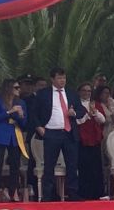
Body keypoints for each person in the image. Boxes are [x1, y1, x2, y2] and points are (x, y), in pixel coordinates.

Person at [32, 67, 84, 202]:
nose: (62, 81)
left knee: (72, 165)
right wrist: (39, 127)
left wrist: (75, 113)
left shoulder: (71, 93)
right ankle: (47, 195)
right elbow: (34, 113)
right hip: (51, 133)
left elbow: (81, 109)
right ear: (52, 79)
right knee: (49, 165)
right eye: (59, 78)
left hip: (68, 133)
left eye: (64, 78)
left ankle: (72, 193)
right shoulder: (43, 94)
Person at [0, 78, 25, 202]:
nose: (19, 90)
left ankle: (13, 191)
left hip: (14, 136)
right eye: (16, 87)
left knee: (15, 164)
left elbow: (25, 122)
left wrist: (20, 116)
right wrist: (10, 112)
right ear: (8, 88)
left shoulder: (20, 102)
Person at [75, 83, 107, 199]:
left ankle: (97, 193)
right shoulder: (76, 104)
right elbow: (76, 121)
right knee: (84, 167)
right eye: (84, 90)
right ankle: (84, 193)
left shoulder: (95, 104)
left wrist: (95, 112)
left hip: (95, 139)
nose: (87, 93)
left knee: (96, 167)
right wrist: (87, 116)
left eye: (89, 91)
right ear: (79, 92)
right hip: (82, 139)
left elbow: (103, 120)